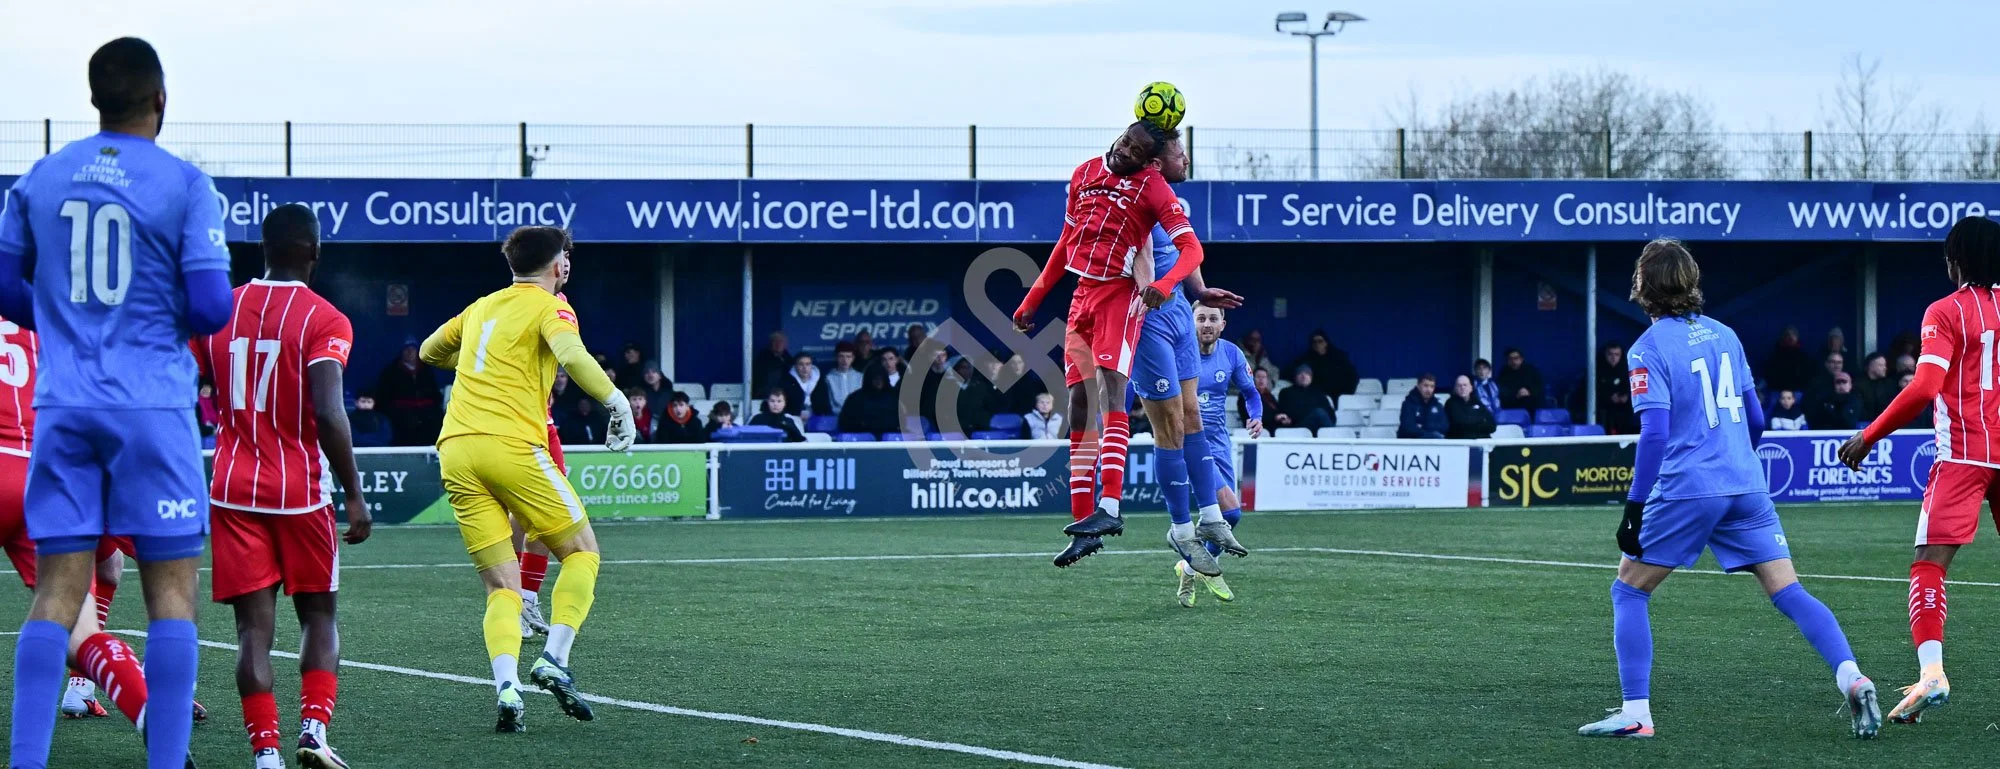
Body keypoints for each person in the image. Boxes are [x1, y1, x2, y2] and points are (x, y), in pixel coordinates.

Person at [0, 37, 235, 769]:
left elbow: (8, 285)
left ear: (96, 98)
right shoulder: (185, 184)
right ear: (159, 101)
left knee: (57, 591)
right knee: (171, 593)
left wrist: (67, 322)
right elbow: (210, 306)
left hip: (65, 406)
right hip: (152, 409)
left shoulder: (41, 177)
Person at [1581, 238, 1878, 740]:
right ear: (1691, 281)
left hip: (1690, 487)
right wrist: (1737, 459)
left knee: (1628, 589)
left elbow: (1654, 433)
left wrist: (1634, 504)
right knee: (1789, 591)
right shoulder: (1725, 334)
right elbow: (1756, 418)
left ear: (1643, 287)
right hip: (1746, 484)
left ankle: (1636, 713)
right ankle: (1852, 675)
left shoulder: (1647, 349)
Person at [419, 225, 635, 732]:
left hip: (455, 449)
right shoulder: (550, 307)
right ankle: (554, 657)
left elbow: (431, 350)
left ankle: (508, 689)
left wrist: (478, 364)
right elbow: (573, 355)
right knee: (582, 552)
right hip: (511, 445)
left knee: (501, 588)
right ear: (558, 264)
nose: (569, 264)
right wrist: (616, 402)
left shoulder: (481, 307)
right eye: (567, 256)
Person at [190, 204, 372, 769]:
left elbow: (184, 385)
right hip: (299, 494)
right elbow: (328, 410)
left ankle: (264, 754)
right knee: (319, 617)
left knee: (252, 633)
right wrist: (356, 493)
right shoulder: (326, 318)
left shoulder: (219, 311)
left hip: (231, 491)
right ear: (315, 252)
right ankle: (313, 733)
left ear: (262, 249)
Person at [1013, 121, 1205, 562]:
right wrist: (1032, 300)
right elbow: (1066, 242)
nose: (1124, 152)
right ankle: (1085, 526)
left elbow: (1192, 250)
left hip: (1121, 295)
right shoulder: (1083, 174)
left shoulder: (1153, 188)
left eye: (1135, 151)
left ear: (1146, 161)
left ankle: (1111, 506)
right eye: (1123, 142)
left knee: (1110, 392)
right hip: (1082, 295)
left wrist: (1166, 281)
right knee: (1078, 401)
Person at [1837, 215, 2000, 726]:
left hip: (1964, 455)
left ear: (1957, 261)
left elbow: (1927, 387)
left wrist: (1868, 435)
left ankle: (1932, 673)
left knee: (1929, 564)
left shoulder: (1946, 311)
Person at [1112, 139, 1247, 574]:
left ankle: (1210, 518)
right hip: (1149, 316)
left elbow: (1184, 250)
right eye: (1179, 153)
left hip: (1177, 315)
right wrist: (1155, 290)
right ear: (1156, 161)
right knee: (1168, 425)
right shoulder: (1133, 197)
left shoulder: (1171, 199)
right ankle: (1179, 528)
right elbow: (1145, 262)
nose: (1186, 159)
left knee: (1192, 418)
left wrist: (1200, 291)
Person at [1178, 304, 1261, 606]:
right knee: (1232, 512)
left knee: (1230, 517)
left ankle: (1189, 568)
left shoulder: (1232, 354)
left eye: (1213, 319)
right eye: (1201, 318)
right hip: (1188, 439)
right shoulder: (1178, 352)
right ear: (1191, 323)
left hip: (1219, 440)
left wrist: (1256, 416)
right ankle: (1205, 570)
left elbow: (1251, 393)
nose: (1207, 324)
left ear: (1222, 324)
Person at [375, 338, 445, 446]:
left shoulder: (427, 370)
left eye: (413, 349)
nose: (410, 352)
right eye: (407, 349)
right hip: (401, 417)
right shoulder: (390, 371)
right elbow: (384, 397)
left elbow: (435, 394)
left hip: (427, 416)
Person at [1287, 329, 1359, 398]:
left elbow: (1352, 376)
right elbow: (1292, 371)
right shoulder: (1306, 358)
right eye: (1314, 342)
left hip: (1337, 395)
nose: (1317, 344)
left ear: (1326, 343)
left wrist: (1344, 394)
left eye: (1320, 341)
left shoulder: (1338, 357)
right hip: (1314, 396)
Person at [839, 365, 901, 436]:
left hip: (892, 440)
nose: (878, 382)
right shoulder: (855, 398)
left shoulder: (895, 396)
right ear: (869, 379)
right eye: (875, 379)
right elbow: (844, 422)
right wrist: (864, 425)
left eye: (881, 379)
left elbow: (901, 422)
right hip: (862, 440)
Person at [1274, 365, 1337, 433]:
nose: (1303, 376)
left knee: (1320, 413)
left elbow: (1331, 415)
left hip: (1320, 429)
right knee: (1319, 413)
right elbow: (1283, 412)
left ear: (1311, 377)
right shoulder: (1286, 393)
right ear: (1295, 377)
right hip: (1297, 427)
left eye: (1307, 373)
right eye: (1300, 373)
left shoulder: (1318, 393)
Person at [1596, 344, 1636, 432]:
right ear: (1605, 355)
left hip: (1624, 413)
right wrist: (1609, 398)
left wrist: (1626, 397)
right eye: (1610, 354)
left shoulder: (1628, 370)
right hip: (1603, 413)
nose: (1613, 358)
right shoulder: (1596, 371)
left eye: (1617, 354)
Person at [1764, 326, 1814, 395]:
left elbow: (1807, 375)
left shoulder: (1803, 356)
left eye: (1793, 335)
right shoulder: (1774, 356)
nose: (1791, 337)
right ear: (1783, 337)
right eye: (1788, 335)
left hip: (1798, 391)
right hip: (1778, 391)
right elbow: (1770, 375)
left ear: (1797, 337)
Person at [1397, 375, 1449, 439]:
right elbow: (1408, 428)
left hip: (1433, 442)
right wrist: (1429, 433)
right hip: (1411, 444)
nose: (1429, 389)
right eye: (1426, 386)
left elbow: (1444, 426)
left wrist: (1423, 426)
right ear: (1418, 386)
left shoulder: (1438, 405)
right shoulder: (1408, 404)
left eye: (1432, 386)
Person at [1446, 375, 1496, 439]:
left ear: (1471, 388)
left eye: (1465, 385)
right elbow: (1460, 425)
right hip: (1460, 443)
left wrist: (1471, 422)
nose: (1462, 387)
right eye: (1459, 385)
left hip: (1481, 441)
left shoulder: (1477, 402)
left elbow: (1492, 425)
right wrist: (1481, 421)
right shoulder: (1450, 403)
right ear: (1455, 388)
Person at [823, 343, 864, 416]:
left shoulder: (860, 377)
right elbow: (829, 404)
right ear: (836, 357)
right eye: (841, 356)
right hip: (837, 417)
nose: (845, 360)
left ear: (853, 358)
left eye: (848, 357)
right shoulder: (828, 378)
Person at [778, 352, 824, 417]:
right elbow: (783, 405)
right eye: (801, 364)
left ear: (811, 366)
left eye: (808, 364)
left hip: (817, 419)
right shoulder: (786, 381)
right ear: (795, 366)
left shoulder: (820, 380)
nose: (804, 367)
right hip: (794, 418)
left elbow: (825, 404)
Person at [1858, 353, 1895, 421]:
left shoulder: (1888, 385)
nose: (1885, 368)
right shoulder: (1859, 385)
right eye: (1881, 365)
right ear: (1871, 366)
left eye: (1885, 365)